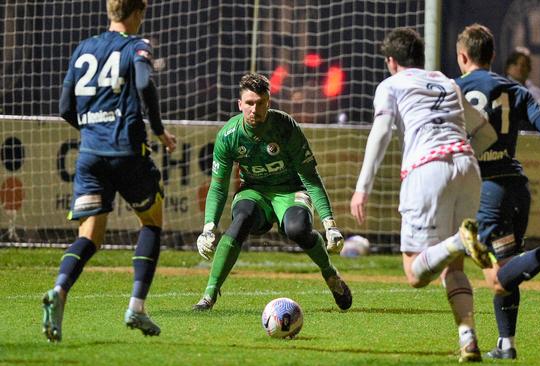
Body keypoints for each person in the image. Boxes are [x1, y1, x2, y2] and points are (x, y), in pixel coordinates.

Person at [350, 27, 495, 363]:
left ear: (391, 61)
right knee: (453, 268)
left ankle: (460, 241)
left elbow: (382, 131)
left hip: (428, 169)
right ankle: (469, 340)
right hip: (467, 166)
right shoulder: (448, 82)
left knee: (415, 273)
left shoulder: (391, 85)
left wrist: (362, 187)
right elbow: (486, 132)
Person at [41, 0, 177, 342]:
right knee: (151, 221)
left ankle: (59, 289)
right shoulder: (137, 47)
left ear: (109, 11)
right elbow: (145, 84)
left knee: (89, 236)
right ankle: (136, 307)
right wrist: (159, 130)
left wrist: (90, 131)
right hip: (127, 151)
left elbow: (64, 107)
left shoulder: (84, 47)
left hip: (90, 153)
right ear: (138, 13)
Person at [454, 24, 540, 359]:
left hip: (488, 190)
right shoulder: (514, 89)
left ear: (462, 56)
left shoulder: (454, 90)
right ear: (493, 56)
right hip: (517, 188)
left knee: (498, 276)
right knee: (509, 267)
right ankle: (506, 344)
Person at [192, 73, 352, 312]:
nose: (254, 109)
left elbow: (310, 177)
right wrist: (208, 228)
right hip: (254, 193)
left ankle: (331, 275)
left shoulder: (285, 127)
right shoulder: (228, 136)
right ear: (240, 105)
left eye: (260, 103)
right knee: (241, 218)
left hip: (290, 191)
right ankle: (209, 295)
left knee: (296, 229)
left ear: (269, 103)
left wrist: (330, 225)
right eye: (249, 103)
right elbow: (218, 186)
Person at [504, 46, 540, 117]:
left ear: (529, 68)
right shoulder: (499, 90)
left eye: (523, 65)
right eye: (515, 64)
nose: (519, 68)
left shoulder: (539, 94)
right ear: (508, 68)